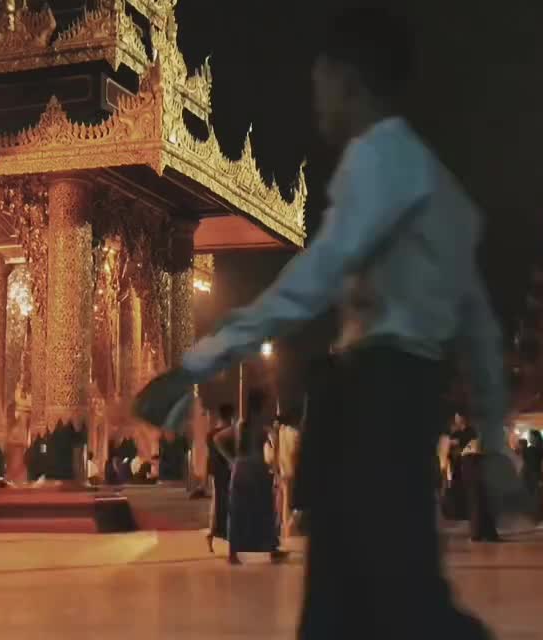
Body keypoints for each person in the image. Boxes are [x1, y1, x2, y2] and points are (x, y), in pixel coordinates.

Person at [161, 8, 510, 637]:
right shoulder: (440, 184)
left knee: (360, 604)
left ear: (350, 80)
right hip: (407, 396)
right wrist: (496, 441)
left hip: (372, 396)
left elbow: (313, 278)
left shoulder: (376, 162)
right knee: (398, 593)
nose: (314, 96)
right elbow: (478, 325)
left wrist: (199, 359)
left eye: (320, 79)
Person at [223, 390, 288, 565]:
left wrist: (231, 460)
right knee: (263, 510)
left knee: (239, 512)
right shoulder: (260, 425)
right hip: (255, 468)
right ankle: (272, 549)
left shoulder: (240, 424)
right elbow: (270, 448)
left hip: (240, 468)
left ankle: (233, 553)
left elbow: (218, 438)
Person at [206, 404, 236, 553]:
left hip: (217, 473)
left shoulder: (211, 434)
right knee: (223, 505)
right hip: (226, 472)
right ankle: (217, 535)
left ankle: (213, 535)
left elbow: (210, 457)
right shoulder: (227, 434)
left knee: (217, 505)